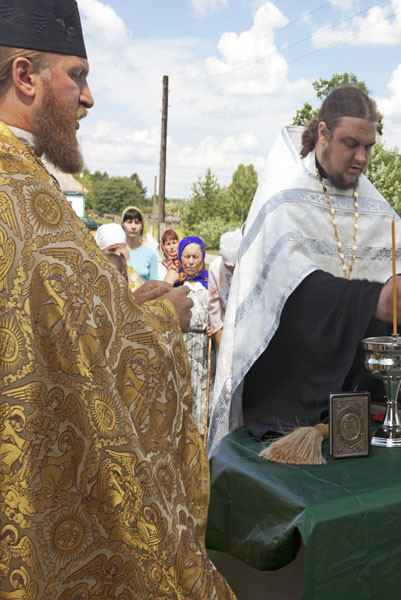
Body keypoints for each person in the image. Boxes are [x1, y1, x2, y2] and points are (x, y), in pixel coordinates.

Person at [0, 1, 232, 596]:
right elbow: (85, 351)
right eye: (77, 75)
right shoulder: (18, 191)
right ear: (26, 76)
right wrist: (163, 314)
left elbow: (57, 325)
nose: (88, 98)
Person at [207, 86, 401, 453]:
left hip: (363, 404)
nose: (361, 157)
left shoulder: (374, 205)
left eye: (369, 147)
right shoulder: (284, 200)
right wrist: (372, 298)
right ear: (323, 133)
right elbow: (291, 293)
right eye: (351, 144)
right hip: (289, 408)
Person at [175, 236, 212, 435]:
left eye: (195, 257)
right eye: (186, 256)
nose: (190, 261)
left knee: (201, 398)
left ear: (202, 258)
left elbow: (218, 314)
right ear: (180, 259)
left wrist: (213, 326)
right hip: (180, 348)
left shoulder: (209, 285)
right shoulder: (175, 286)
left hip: (202, 349)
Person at [208, 228, 242, 348]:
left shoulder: (253, 268)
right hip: (225, 333)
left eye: (235, 265)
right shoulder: (216, 268)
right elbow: (214, 309)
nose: (232, 269)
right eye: (228, 266)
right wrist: (223, 349)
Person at [94, 222, 142, 291]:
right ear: (100, 252)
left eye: (122, 248)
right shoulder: (93, 276)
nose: (118, 254)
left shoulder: (133, 275)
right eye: (112, 250)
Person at [121, 205, 158, 282]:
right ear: (123, 225)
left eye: (137, 222)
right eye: (129, 222)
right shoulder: (117, 252)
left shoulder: (150, 254)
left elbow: (154, 284)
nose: (133, 226)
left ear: (142, 226)